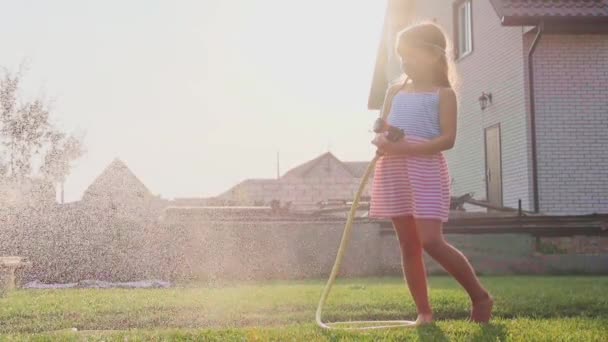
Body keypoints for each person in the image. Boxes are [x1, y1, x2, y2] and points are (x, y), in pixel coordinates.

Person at [369, 22, 494, 325]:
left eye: (410, 54)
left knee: (430, 240)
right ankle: (424, 312)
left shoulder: (444, 94)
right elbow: (383, 127)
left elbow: (447, 140)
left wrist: (406, 148)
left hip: (425, 171)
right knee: (408, 244)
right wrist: (383, 140)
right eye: (401, 55)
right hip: (395, 171)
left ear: (433, 55)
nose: (404, 61)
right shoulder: (394, 91)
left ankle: (480, 297)